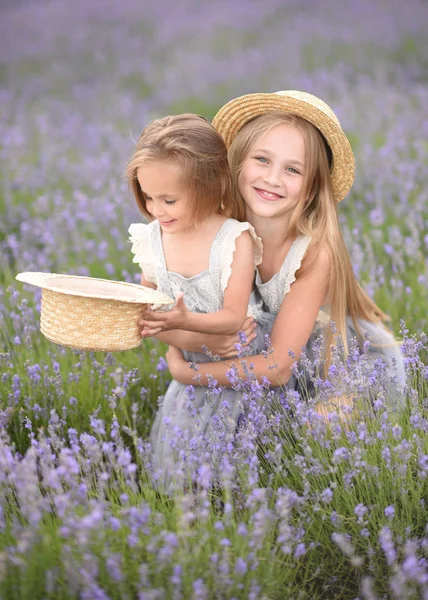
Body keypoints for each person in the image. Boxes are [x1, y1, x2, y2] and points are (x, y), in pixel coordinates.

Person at [165, 91, 406, 417]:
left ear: (312, 187)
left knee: (320, 432)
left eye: (293, 170)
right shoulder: (221, 228)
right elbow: (184, 302)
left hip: (332, 361)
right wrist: (190, 342)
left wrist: (189, 374)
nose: (272, 179)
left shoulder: (313, 253)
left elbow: (278, 367)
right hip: (268, 355)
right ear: (237, 161)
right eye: (262, 159)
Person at [126, 113, 273, 491]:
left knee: (241, 464)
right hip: (194, 362)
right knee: (183, 469)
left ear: (209, 186)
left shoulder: (232, 239)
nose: (157, 210)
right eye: (147, 197)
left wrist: (180, 323)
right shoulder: (152, 240)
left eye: (169, 199)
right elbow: (150, 320)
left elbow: (231, 319)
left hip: (241, 365)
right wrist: (185, 342)